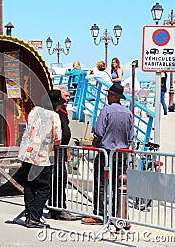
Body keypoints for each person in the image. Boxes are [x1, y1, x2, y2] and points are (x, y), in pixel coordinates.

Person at [81, 83, 134, 225]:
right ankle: (118, 215)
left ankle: (100, 214)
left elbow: (99, 132)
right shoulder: (128, 113)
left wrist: (95, 142)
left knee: (101, 184)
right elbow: (130, 137)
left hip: (106, 153)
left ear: (112, 96)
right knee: (119, 185)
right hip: (121, 153)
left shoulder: (106, 111)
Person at [18, 92, 63, 228]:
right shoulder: (54, 116)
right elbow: (57, 138)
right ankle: (35, 217)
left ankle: (28, 215)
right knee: (44, 187)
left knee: (29, 185)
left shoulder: (34, 111)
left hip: (27, 154)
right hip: (42, 156)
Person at [48, 89, 77, 221]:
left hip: (61, 151)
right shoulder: (55, 113)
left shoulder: (64, 113)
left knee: (60, 180)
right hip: (55, 151)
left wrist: (67, 151)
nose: (68, 98)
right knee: (58, 181)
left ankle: (56, 208)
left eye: (69, 96)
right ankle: (58, 209)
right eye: (65, 96)